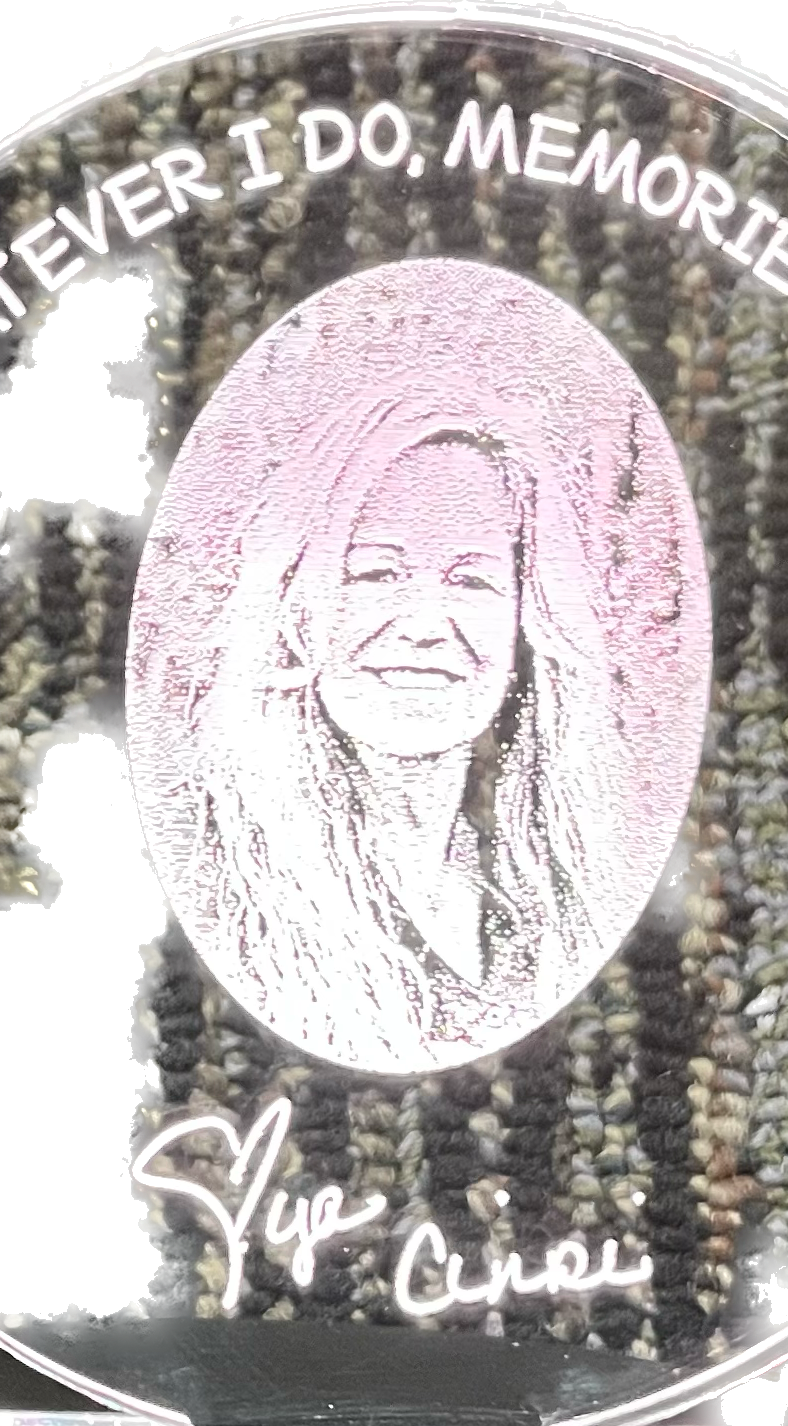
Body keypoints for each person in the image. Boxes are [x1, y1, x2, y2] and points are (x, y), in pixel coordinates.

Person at [160, 389, 623, 1072]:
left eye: (472, 580)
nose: (426, 622)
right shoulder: (215, 877)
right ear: (298, 604)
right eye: (377, 572)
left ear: (528, 620)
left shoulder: (551, 893)